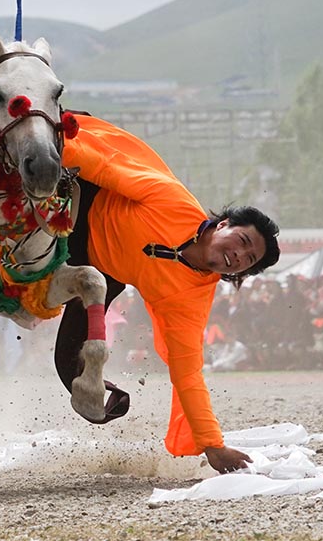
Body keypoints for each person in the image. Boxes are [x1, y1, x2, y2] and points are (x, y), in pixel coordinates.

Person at [54, 114, 281, 474]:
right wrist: (53, 149)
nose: (239, 256)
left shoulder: (191, 299)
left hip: (98, 273)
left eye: (247, 261)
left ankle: (112, 400)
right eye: (242, 242)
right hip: (82, 209)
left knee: (70, 367)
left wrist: (212, 445)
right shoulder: (171, 199)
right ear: (223, 225)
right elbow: (105, 166)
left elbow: (188, 374)